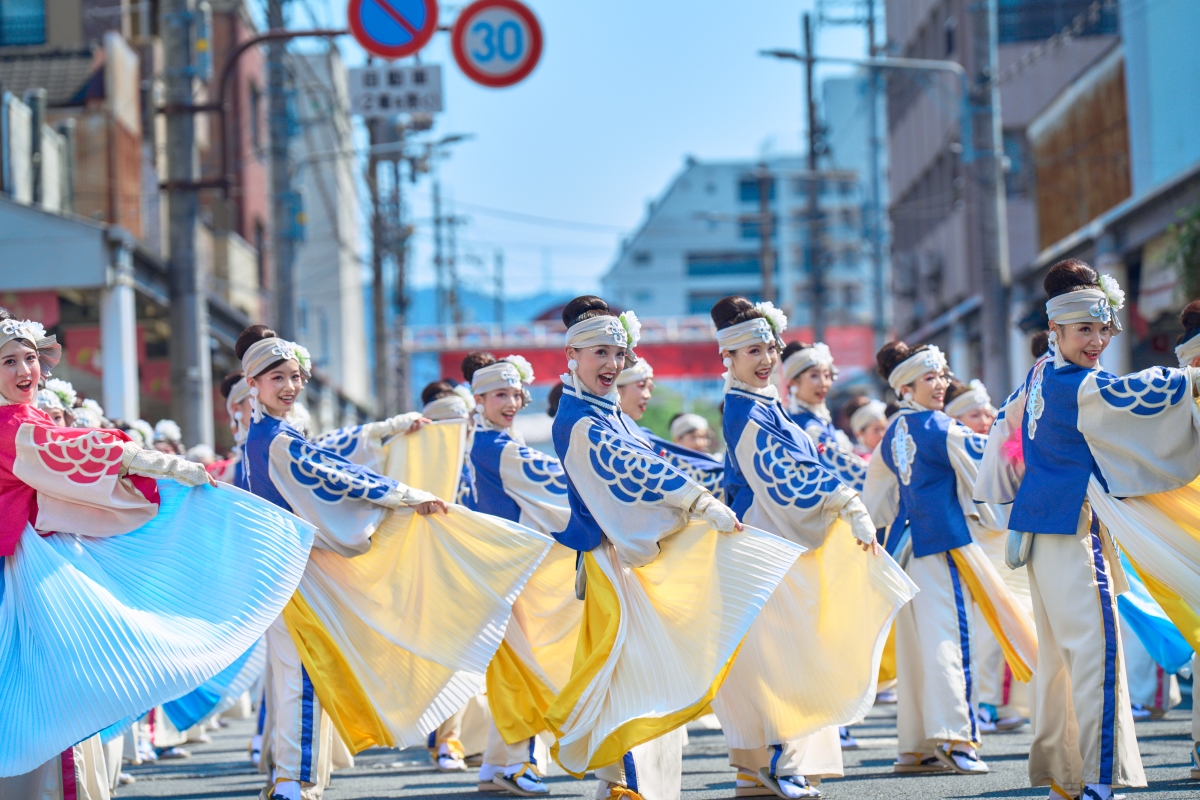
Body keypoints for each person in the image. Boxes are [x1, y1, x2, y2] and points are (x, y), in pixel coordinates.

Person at [0, 314, 313, 795]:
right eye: (9, 362)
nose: (26, 370)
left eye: (30, 358)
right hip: (28, 573)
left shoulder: (27, 420)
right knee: (48, 697)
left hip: (40, 561)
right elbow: (88, 449)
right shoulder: (16, 427)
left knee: (53, 695)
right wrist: (170, 467)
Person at [546, 297, 843, 800]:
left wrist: (703, 490)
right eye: (601, 353)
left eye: (619, 355)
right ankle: (627, 789)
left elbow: (657, 457)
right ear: (570, 355)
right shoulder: (578, 419)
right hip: (613, 561)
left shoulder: (605, 412)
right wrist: (697, 500)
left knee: (648, 680)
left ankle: (636, 788)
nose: (613, 365)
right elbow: (633, 469)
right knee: (635, 680)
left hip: (634, 558)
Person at [237, 325, 551, 800]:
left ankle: (294, 776)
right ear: (253, 383)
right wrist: (405, 495)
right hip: (299, 572)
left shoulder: (275, 435)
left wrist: (387, 435)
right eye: (276, 377)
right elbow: (333, 472)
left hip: (298, 567)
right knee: (303, 677)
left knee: (304, 674)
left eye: (296, 376)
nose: (289, 386)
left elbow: (330, 455)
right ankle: (290, 778)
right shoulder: (273, 439)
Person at [975, 261, 1200, 800]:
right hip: (1073, 531)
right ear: (1053, 331)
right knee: (1097, 656)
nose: (1097, 340)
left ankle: (1067, 777)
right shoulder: (1083, 386)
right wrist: (1193, 379)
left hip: (1040, 532)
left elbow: (1000, 446)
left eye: (1104, 329)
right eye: (1084, 329)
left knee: (1063, 660)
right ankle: (1100, 778)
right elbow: (1144, 398)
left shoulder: (1035, 379)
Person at [711, 297, 916, 797]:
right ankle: (784, 763)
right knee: (785, 654)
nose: (764, 358)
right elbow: (784, 475)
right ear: (728, 359)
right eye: (751, 350)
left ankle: (765, 768)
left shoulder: (763, 404)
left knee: (782, 652)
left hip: (776, 536)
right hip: (767, 539)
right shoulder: (745, 409)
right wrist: (847, 502)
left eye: (769, 347)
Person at [862, 340, 1037, 778]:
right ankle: (957, 738)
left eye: (941, 375)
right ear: (905, 387)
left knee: (919, 649)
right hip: (943, 548)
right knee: (954, 643)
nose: (940, 384)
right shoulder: (940, 427)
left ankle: (916, 746)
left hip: (905, 550)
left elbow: (876, 502)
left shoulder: (893, 434)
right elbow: (994, 470)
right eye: (930, 377)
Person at [462, 353, 580, 797]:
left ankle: (495, 763)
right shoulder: (495, 448)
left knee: (511, 666)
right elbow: (555, 481)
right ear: (478, 399)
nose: (511, 402)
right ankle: (518, 762)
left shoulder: (485, 442)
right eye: (499, 395)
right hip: (504, 569)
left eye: (515, 393)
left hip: (499, 567)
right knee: (523, 668)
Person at [616, 358, 725, 502]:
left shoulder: (639, 434)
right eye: (641, 386)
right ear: (616, 387)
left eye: (650, 389)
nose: (648, 395)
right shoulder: (609, 431)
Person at [782, 341, 869, 491]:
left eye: (827, 375)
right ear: (793, 382)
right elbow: (840, 465)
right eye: (814, 375)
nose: (824, 383)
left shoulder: (815, 419)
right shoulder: (804, 426)